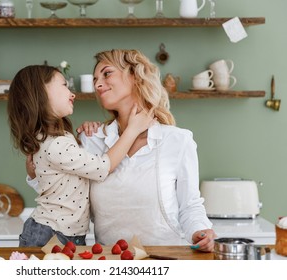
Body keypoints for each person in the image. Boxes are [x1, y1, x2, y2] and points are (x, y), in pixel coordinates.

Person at [27, 50, 216, 252]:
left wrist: (200, 231)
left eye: (106, 74)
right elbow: (63, 191)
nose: (98, 85)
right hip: (111, 261)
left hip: (165, 258)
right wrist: (34, 170)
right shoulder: (91, 140)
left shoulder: (177, 140)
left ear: (135, 75)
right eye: (95, 79)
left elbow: (190, 206)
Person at [7, 64, 154, 247]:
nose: (72, 93)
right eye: (64, 85)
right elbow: (102, 168)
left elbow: (66, 176)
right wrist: (132, 130)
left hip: (63, 234)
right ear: (41, 93)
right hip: (52, 235)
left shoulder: (55, 139)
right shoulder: (56, 144)